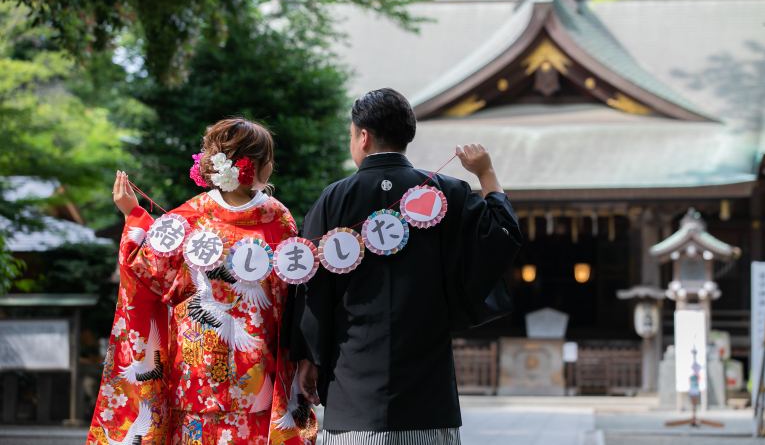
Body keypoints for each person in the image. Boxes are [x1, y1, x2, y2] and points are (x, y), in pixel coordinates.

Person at [286, 89, 521, 444]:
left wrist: (307, 356)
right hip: (427, 392)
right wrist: (486, 173)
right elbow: (501, 236)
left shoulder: (334, 198)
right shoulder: (448, 192)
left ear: (362, 137)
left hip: (353, 393)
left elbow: (311, 287)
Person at [87, 119, 317, 445]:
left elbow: (142, 275)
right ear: (259, 168)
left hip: (195, 379)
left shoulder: (188, 217)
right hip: (257, 383)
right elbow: (294, 299)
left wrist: (133, 217)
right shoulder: (279, 221)